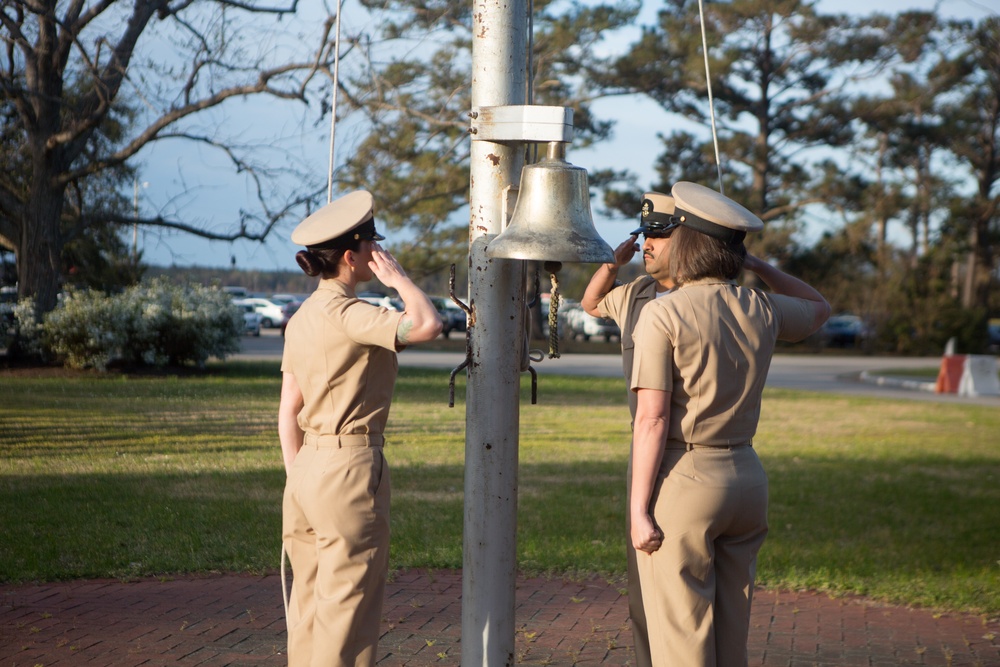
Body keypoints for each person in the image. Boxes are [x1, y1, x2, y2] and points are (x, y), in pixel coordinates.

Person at [628, 181, 830, 666]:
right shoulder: (760, 306)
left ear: (687, 242)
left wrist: (638, 510)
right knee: (730, 637)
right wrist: (756, 266)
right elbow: (819, 308)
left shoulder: (663, 313)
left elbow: (652, 419)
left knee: (682, 642)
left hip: (687, 479)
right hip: (747, 478)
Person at [278, 190, 443, 667]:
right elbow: (427, 324)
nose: (380, 253)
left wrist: (299, 478)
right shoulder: (350, 313)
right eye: (373, 245)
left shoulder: (303, 316)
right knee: (346, 615)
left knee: (308, 608)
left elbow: (288, 410)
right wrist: (400, 281)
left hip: (308, 466)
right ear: (351, 256)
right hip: (349, 467)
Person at [579, 191, 677, 667]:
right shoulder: (636, 293)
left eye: (657, 234)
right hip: (644, 447)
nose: (647, 245)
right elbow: (590, 303)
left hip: (681, 453)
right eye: (644, 236)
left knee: (679, 593)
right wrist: (613, 264)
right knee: (642, 585)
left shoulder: (697, 299)